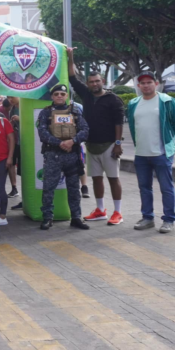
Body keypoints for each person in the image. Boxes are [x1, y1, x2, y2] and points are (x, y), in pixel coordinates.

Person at [67, 51, 126, 225]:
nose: (94, 84)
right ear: (88, 84)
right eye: (91, 82)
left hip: (109, 145)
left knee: (113, 178)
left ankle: (118, 212)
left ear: (103, 82)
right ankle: (100, 210)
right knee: (96, 179)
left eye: (97, 81)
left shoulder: (113, 99)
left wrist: (117, 143)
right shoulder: (86, 95)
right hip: (91, 145)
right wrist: (71, 57)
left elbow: (119, 123)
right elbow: (71, 78)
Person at [127, 73, 175, 233]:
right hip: (141, 153)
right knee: (144, 187)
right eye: (143, 83)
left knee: (166, 188)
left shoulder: (166, 101)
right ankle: (147, 218)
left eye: (149, 82)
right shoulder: (133, 103)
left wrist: (169, 142)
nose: (146, 85)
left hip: (161, 153)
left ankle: (169, 220)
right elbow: (133, 126)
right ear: (139, 86)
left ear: (156, 84)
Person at [36, 85, 90, 231]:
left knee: (74, 189)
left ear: (66, 96)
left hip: (72, 156)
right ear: (52, 97)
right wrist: (60, 143)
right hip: (53, 155)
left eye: (62, 94)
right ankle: (47, 218)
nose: (59, 96)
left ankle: (76, 218)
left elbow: (85, 130)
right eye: (56, 94)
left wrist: (72, 141)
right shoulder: (45, 113)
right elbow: (43, 134)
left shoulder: (75, 111)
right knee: (48, 188)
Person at [5, 97, 22, 204]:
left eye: (12, 97)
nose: (10, 99)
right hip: (16, 141)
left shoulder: (24, 105)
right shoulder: (12, 109)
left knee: (24, 171)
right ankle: (15, 189)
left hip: (25, 143)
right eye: (8, 97)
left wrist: (21, 119)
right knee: (15, 167)